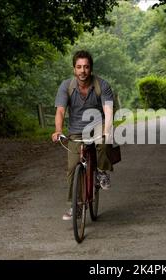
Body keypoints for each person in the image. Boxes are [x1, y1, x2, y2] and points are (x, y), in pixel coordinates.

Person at [51, 50, 114, 221]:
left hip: (98, 124)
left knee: (104, 139)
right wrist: (58, 130)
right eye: (79, 67)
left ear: (91, 69)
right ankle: (75, 206)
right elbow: (61, 111)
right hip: (76, 130)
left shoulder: (103, 85)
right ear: (74, 69)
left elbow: (108, 111)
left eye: (86, 67)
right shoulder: (66, 86)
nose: (82, 71)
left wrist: (107, 130)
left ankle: (101, 171)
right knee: (72, 168)